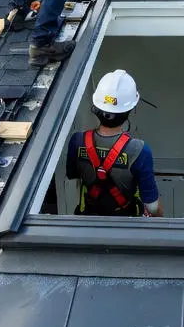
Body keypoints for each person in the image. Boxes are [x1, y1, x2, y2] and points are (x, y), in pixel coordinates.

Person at [66, 70, 162, 217]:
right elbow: (153, 207)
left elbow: (75, 178)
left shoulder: (77, 141)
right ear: (129, 110)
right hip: (126, 225)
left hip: (87, 221)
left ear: (97, 107)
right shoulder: (140, 150)